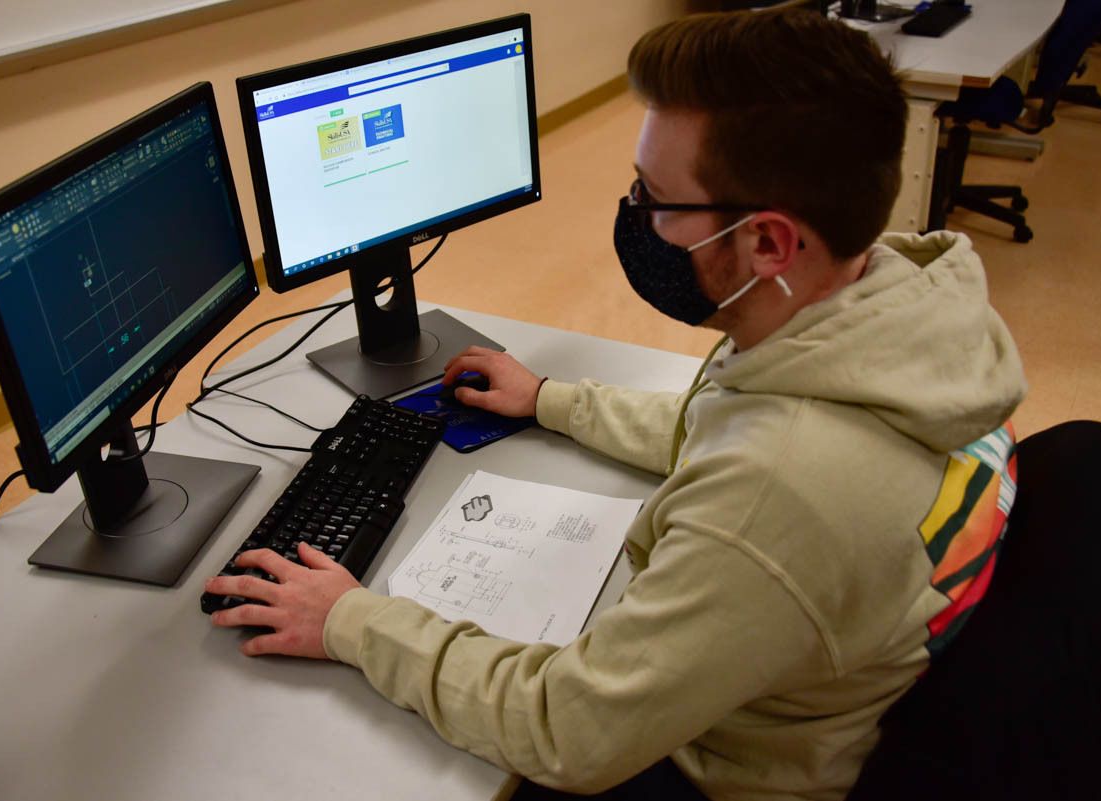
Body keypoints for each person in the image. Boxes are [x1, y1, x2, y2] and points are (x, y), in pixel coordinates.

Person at [204, 9, 1027, 800]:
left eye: (656, 199)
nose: (633, 217)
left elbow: (568, 727)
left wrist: (350, 619)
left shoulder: (780, 492)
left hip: (716, 769)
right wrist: (551, 400)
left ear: (768, 242)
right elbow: (717, 424)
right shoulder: (890, 307)